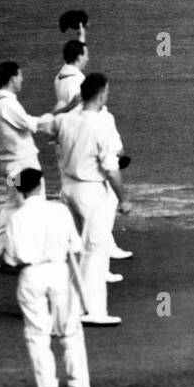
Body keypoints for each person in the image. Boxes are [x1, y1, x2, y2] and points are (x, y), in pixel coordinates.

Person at [1, 168, 96, 387]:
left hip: (30, 275)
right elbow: (75, 246)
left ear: (19, 189)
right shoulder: (59, 211)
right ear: (41, 184)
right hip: (58, 271)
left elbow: (11, 258)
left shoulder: (15, 218)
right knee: (71, 331)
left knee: (37, 335)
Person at [50, 73, 132, 326]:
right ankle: (94, 311)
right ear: (101, 95)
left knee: (77, 251)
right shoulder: (102, 124)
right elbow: (111, 168)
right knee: (95, 252)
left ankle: (70, 308)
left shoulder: (64, 119)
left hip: (67, 190)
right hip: (91, 192)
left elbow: (51, 130)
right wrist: (124, 199)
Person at [0, 60, 56, 265]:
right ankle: (22, 252)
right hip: (22, 165)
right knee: (33, 204)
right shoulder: (8, 104)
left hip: (9, 166)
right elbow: (30, 124)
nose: (22, 79)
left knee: (15, 204)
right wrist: (55, 116)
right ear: (12, 78)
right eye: (20, 75)